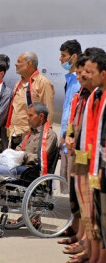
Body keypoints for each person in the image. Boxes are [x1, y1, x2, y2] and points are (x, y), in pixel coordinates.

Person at [0, 102, 57, 220]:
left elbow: (40, 158)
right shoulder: (29, 134)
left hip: (30, 170)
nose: (28, 119)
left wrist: (23, 156)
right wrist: (0, 158)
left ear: (41, 117)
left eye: (30, 116)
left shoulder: (50, 135)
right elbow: (17, 150)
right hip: (17, 166)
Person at [64, 53, 102, 263]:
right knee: (85, 207)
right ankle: (89, 251)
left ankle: (97, 260)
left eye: (86, 72)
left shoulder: (97, 97)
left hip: (94, 160)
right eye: (80, 72)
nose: (82, 76)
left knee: (97, 213)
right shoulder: (85, 96)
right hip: (82, 155)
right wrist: (69, 137)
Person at [58, 40, 83, 243]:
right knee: (72, 187)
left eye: (64, 55)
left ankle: (79, 231)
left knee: (79, 188)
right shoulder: (69, 79)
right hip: (67, 140)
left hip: (76, 142)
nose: (61, 59)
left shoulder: (79, 81)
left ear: (74, 57)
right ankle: (75, 227)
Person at [6, 52, 55, 149]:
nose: (15, 64)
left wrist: (45, 138)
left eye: (19, 62)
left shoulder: (43, 83)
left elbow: (48, 112)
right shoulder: (19, 84)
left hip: (30, 136)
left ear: (29, 64)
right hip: (15, 134)